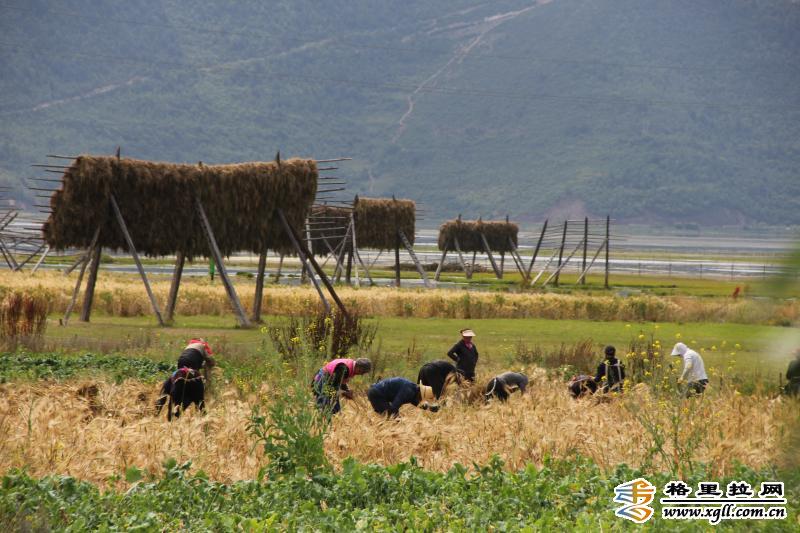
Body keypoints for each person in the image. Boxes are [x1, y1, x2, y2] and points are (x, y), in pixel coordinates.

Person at [156, 339, 216, 415]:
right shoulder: (203, 346)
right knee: (194, 380)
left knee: (180, 375)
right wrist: (210, 365)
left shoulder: (189, 346)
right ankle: (191, 399)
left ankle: (178, 400)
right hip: (192, 363)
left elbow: (190, 356)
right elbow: (211, 360)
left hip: (181, 361)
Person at [367, 377, 436, 418]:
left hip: (376, 392)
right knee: (391, 416)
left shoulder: (412, 388)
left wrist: (429, 408)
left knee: (393, 417)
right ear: (420, 394)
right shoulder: (408, 391)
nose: (420, 400)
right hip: (376, 394)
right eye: (421, 398)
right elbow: (394, 407)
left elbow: (416, 402)